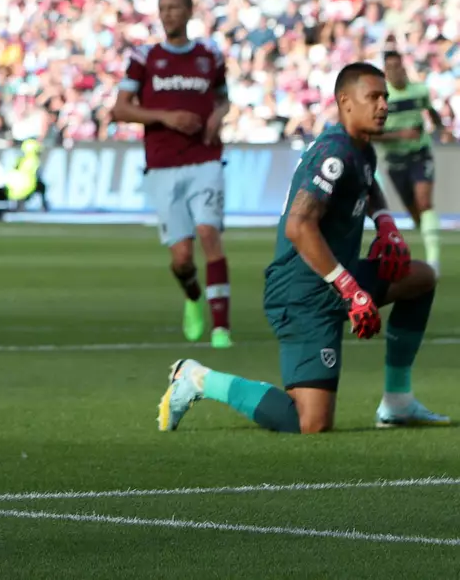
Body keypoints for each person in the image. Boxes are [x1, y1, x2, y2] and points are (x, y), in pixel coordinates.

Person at [159, 63, 448, 434]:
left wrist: (386, 223)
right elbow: (299, 226)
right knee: (310, 422)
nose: (383, 106)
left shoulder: (360, 147)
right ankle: (198, 378)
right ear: (345, 102)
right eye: (373, 97)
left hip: (337, 276)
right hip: (302, 293)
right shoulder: (333, 152)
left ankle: (397, 401)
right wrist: (350, 289)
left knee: (421, 277)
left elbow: (367, 183)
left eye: (385, 98)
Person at [111, 0, 233, 348]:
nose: (168, 14)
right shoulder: (144, 57)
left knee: (209, 232)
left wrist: (216, 116)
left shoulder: (209, 54)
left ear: (189, 11)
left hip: (205, 159)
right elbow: (120, 108)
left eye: (174, 8)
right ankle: (193, 295)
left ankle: (222, 328)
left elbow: (224, 100)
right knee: (182, 258)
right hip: (163, 164)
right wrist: (166, 116)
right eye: (162, 8)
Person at [374, 50, 444, 274]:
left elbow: (431, 111)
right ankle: (423, 238)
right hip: (395, 161)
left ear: (404, 67)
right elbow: (372, 133)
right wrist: (399, 135)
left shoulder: (419, 91)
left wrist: (441, 129)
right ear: (385, 71)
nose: (395, 71)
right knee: (415, 212)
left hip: (420, 154)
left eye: (398, 66)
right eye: (390, 67)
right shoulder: (382, 98)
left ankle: (434, 261)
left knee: (424, 202)